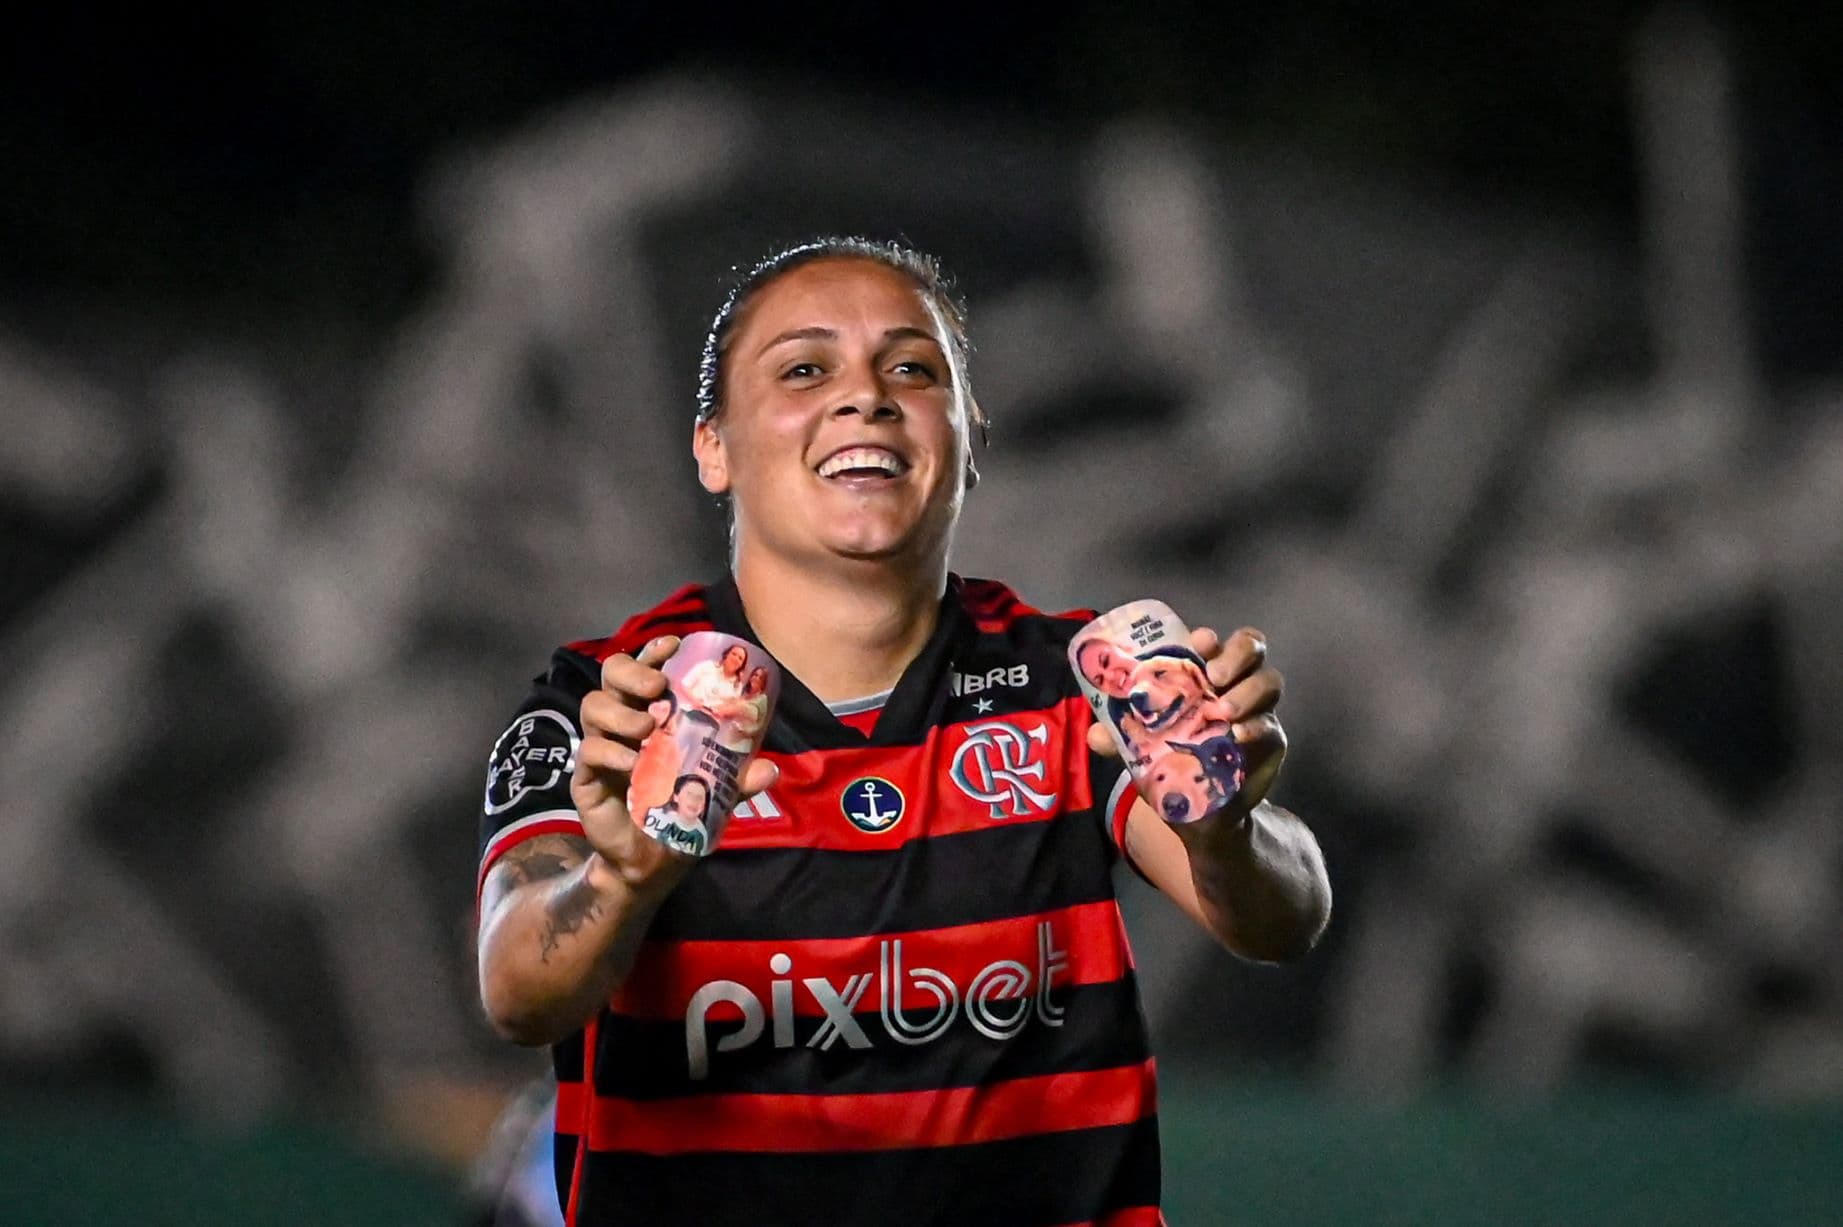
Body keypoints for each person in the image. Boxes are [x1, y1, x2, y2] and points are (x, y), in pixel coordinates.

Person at [474, 236, 1331, 1227]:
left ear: (968, 431)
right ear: (713, 445)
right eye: (804, 369)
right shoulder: (607, 702)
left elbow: (1280, 920)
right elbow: (517, 991)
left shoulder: (1071, 682)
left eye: (912, 370)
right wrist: (623, 877)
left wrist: (1227, 827)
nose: (865, 398)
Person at [640, 774, 711, 858]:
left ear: (703, 806)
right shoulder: (657, 814)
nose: (694, 801)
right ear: (676, 797)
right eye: (689, 794)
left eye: (699, 798)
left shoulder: (701, 835)